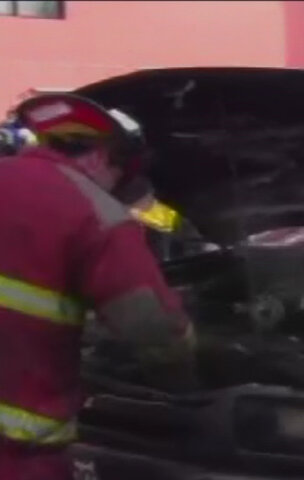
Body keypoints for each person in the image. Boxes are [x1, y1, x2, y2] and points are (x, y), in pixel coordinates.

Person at [0, 93, 197, 480]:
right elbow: (155, 330)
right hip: (19, 454)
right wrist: (185, 385)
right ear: (100, 157)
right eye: (120, 175)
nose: (117, 187)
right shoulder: (96, 213)